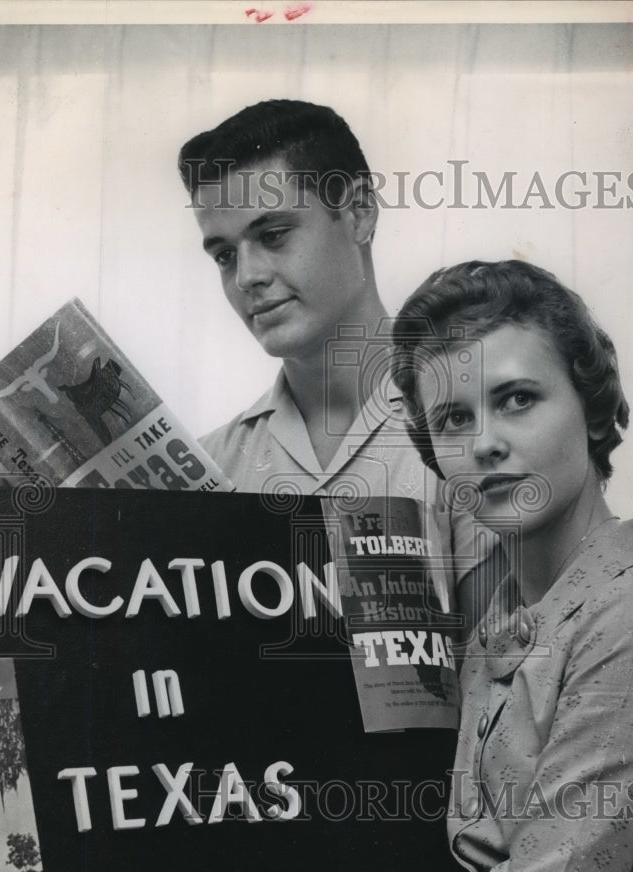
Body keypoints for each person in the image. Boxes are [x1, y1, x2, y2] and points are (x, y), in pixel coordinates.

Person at [91, 260, 633, 872]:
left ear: (593, 411)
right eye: (453, 418)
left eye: (518, 398)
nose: (485, 443)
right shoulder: (501, 618)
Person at [179, 99, 492, 624]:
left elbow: (508, 684)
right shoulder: (210, 469)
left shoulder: (480, 429)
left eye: (273, 235)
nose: (246, 277)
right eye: (224, 255)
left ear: (358, 212)